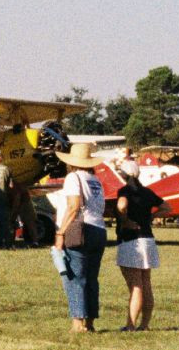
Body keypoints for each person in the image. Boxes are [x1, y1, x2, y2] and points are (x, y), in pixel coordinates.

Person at [50, 141, 107, 332]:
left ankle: (77, 322)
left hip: (80, 230)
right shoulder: (95, 180)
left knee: (75, 276)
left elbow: (74, 206)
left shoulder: (73, 178)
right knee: (92, 278)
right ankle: (90, 322)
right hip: (99, 229)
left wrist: (60, 232)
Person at [112, 157, 165, 331]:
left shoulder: (125, 191)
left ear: (124, 174)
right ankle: (145, 324)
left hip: (131, 240)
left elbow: (121, 205)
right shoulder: (148, 192)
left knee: (135, 285)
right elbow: (167, 207)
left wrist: (125, 219)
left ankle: (131, 324)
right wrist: (152, 216)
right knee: (146, 283)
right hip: (148, 239)